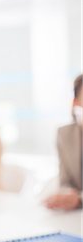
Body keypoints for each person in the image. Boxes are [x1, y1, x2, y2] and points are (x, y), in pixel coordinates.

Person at [45, 74, 82, 210]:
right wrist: (67, 194)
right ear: (76, 102)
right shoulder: (64, 134)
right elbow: (65, 181)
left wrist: (79, 199)